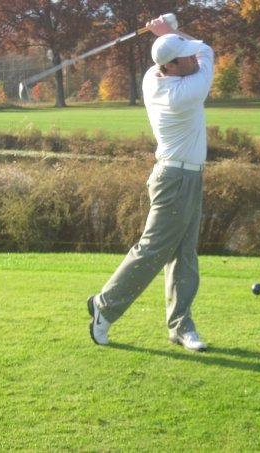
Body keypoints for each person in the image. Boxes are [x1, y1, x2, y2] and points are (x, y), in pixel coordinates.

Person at [87, 15, 214, 351]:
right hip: (175, 179)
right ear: (171, 67)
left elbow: (189, 52)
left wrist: (167, 36)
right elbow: (206, 50)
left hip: (186, 176)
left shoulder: (153, 76)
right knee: (153, 250)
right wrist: (169, 29)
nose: (192, 58)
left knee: (184, 254)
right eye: (184, 57)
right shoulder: (185, 92)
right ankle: (105, 305)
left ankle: (181, 324)